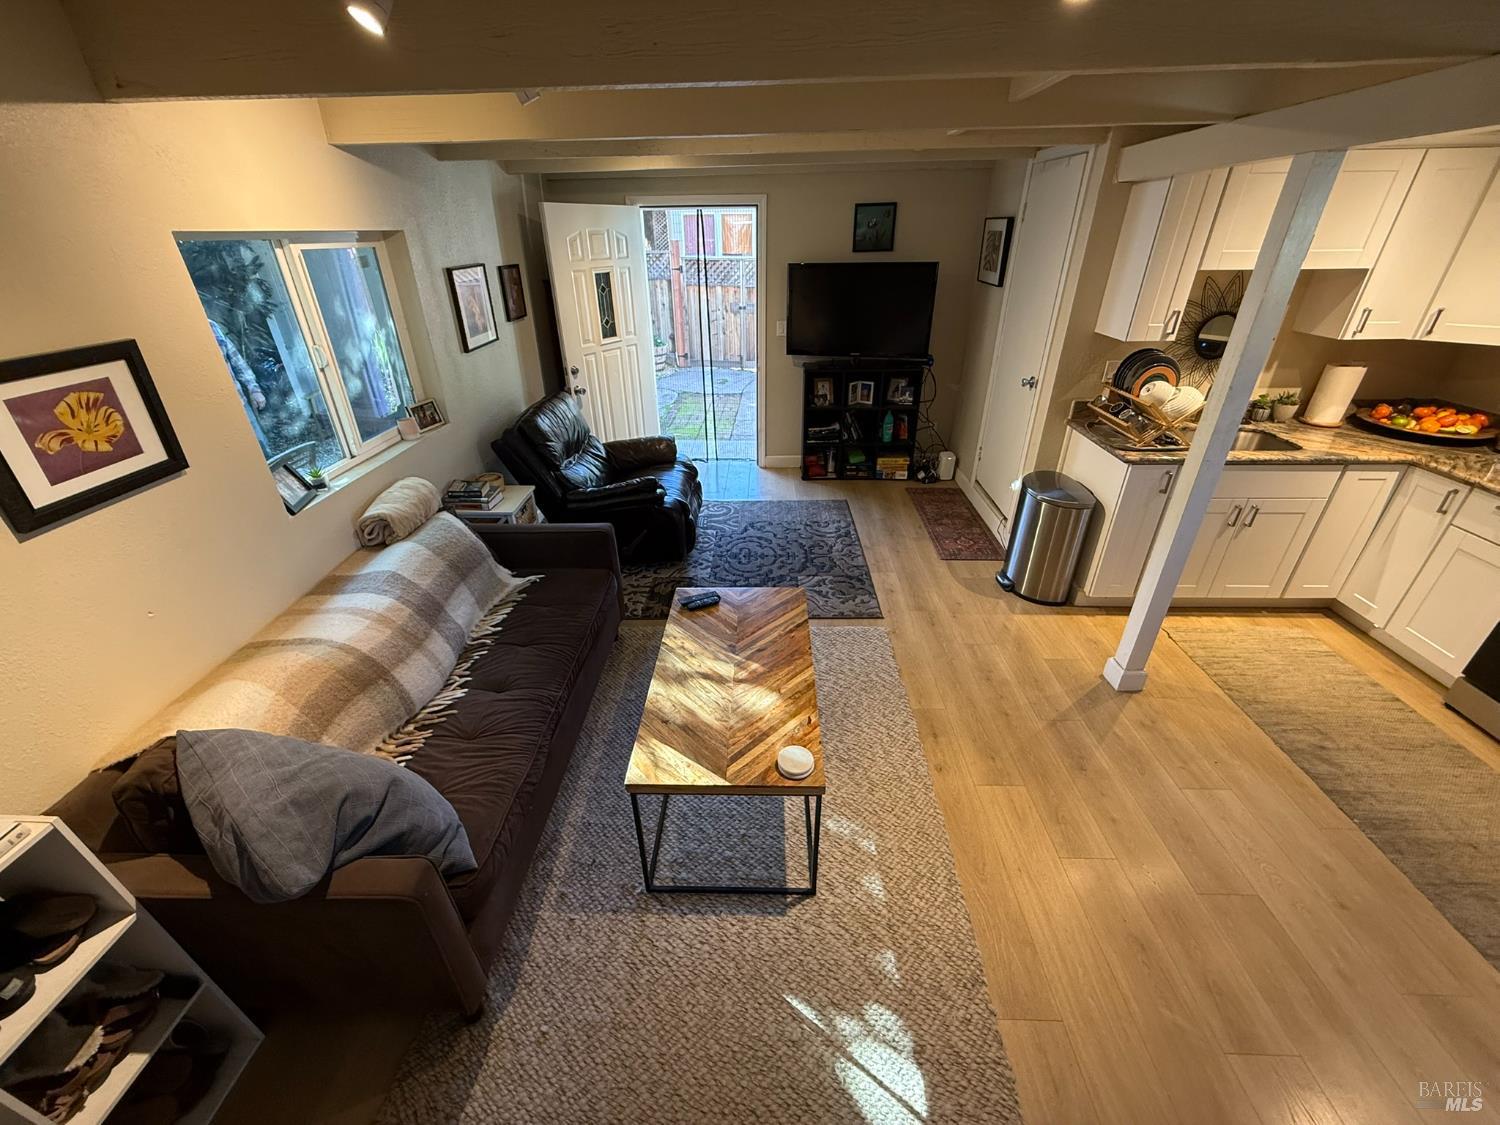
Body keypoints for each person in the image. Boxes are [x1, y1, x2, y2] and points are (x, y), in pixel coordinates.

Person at [210, 319, 269, 451]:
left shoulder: (211, 326)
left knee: (263, 449)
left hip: (240, 402)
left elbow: (237, 361)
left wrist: (254, 390)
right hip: (215, 413)